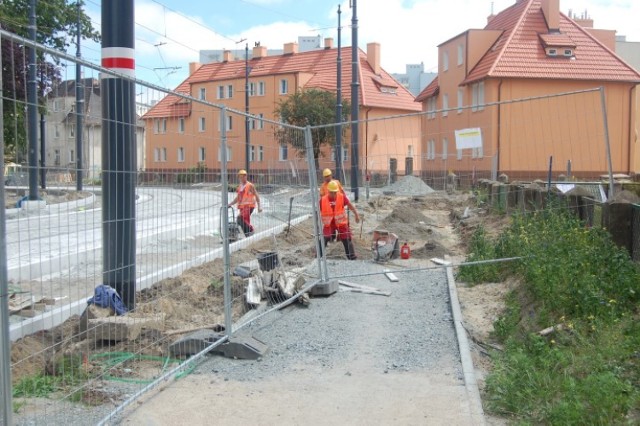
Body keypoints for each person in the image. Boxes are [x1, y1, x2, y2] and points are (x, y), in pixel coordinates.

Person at [320, 180, 360, 260]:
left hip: (341, 222)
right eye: (332, 192)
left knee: (346, 238)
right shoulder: (323, 200)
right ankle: (318, 256)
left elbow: (350, 205)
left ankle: (351, 257)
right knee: (324, 238)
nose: (334, 194)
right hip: (329, 223)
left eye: (335, 192)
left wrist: (356, 215)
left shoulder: (341, 197)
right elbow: (318, 210)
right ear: (328, 191)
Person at [228, 169, 262, 237]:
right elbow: (238, 198)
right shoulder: (240, 186)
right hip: (242, 207)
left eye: (243, 176)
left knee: (239, 218)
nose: (241, 178)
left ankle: (251, 230)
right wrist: (230, 204)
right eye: (240, 177)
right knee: (242, 221)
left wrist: (259, 206)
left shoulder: (250, 185)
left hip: (249, 206)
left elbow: (256, 195)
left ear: (246, 176)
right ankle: (248, 235)